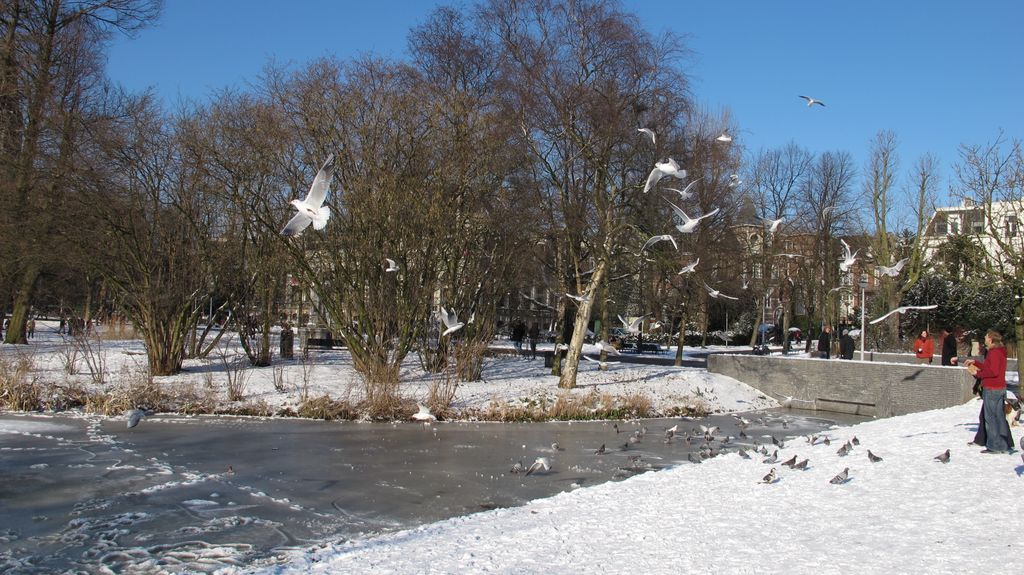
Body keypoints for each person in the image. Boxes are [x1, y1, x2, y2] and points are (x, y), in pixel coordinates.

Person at [964, 329, 1014, 453]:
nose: (985, 338)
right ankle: (1003, 444)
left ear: (991, 339)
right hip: (998, 388)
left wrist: (978, 373)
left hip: (993, 389)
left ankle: (994, 446)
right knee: (999, 417)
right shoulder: (998, 351)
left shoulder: (994, 352)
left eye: (986, 336)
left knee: (990, 418)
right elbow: (990, 367)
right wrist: (975, 362)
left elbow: (993, 372)